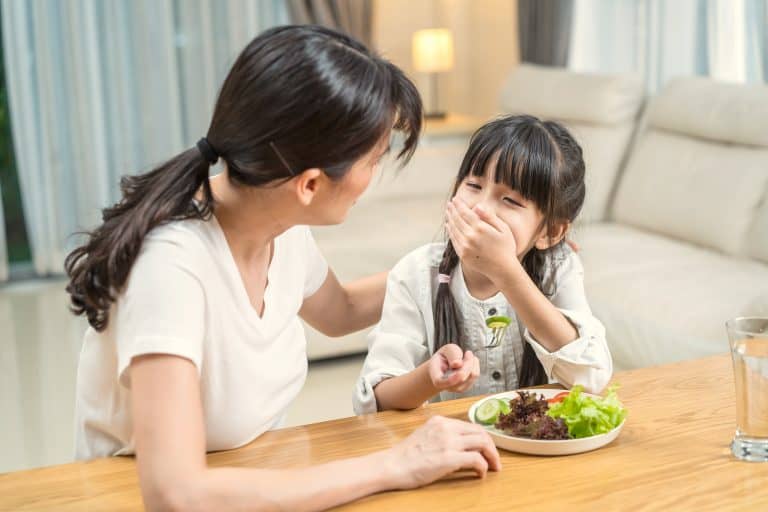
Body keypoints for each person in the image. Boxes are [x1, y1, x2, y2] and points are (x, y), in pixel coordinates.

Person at [66, 25, 500, 511]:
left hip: (248, 476)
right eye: (373, 160)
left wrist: (453, 263)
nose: (372, 178)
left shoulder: (279, 225)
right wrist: (394, 465)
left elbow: (340, 311)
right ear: (310, 185)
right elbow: (175, 494)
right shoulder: (169, 267)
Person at [353, 115, 613, 415]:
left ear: (550, 232)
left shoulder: (558, 268)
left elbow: (591, 376)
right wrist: (430, 377)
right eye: (474, 185)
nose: (481, 207)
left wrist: (506, 271)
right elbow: (375, 401)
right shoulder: (415, 273)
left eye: (510, 200)